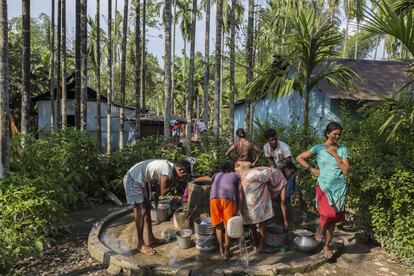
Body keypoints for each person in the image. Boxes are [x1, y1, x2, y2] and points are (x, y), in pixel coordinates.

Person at [296, 122, 349, 260]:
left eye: (339, 134)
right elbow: (299, 157)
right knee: (328, 215)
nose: (337, 137)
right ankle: (320, 228)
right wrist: (311, 169)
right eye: (334, 134)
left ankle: (326, 247)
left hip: (339, 189)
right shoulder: (318, 148)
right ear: (327, 134)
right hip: (324, 186)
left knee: (332, 222)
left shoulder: (342, 149)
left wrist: (336, 155)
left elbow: (346, 171)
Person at [123, 159, 192, 256]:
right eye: (184, 175)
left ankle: (150, 238)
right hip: (133, 180)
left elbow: (155, 183)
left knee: (146, 208)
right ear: (180, 170)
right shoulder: (167, 170)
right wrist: (175, 181)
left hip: (141, 180)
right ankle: (140, 244)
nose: (183, 178)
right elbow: (163, 192)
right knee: (140, 211)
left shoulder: (169, 168)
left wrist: (154, 198)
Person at [239, 166, 288, 254]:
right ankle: (262, 246)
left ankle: (255, 244)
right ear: (286, 170)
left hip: (246, 182)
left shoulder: (269, 169)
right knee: (263, 219)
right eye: (291, 173)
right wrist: (285, 220)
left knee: (252, 219)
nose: (291, 175)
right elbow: (283, 200)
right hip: (255, 180)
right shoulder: (281, 176)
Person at [209, 162, 241, 260]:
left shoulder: (216, 175)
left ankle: (221, 249)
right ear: (232, 168)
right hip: (228, 200)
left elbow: (211, 182)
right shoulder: (236, 175)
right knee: (228, 226)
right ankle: (227, 251)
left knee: (218, 225)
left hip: (214, 199)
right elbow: (238, 192)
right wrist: (238, 207)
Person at [263, 128, 297, 199]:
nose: (274, 141)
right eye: (271, 140)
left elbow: (289, 161)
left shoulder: (284, 147)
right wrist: (273, 169)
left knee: (287, 194)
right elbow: (270, 160)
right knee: (278, 193)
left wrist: (281, 171)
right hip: (279, 170)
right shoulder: (266, 147)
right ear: (267, 141)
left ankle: (289, 206)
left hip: (289, 170)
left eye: (275, 139)